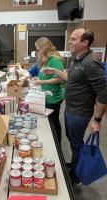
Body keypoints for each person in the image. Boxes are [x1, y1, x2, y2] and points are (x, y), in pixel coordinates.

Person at [43, 27, 107, 185]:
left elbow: (103, 93)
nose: (69, 42)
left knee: (76, 143)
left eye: (73, 39)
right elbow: (71, 78)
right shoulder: (77, 58)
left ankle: (76, 177)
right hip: (70, 109)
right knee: (72, 141)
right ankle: (75, 163)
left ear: (85, 42)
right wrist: (55, 70)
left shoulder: (92, 62)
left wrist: (97, 120)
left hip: (79, 113)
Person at [20, 37, 65, 146]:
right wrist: (27, 77)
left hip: (53, 97)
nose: (37, 51)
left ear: (44, 48)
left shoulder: (55, 60)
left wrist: (42, 82)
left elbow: (59, 78)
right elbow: (35, 70)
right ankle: (52, 141)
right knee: (48, 121)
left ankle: (57, 144)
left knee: (53, 121)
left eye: (38, 48)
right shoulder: (44, 60)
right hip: (46, 95)